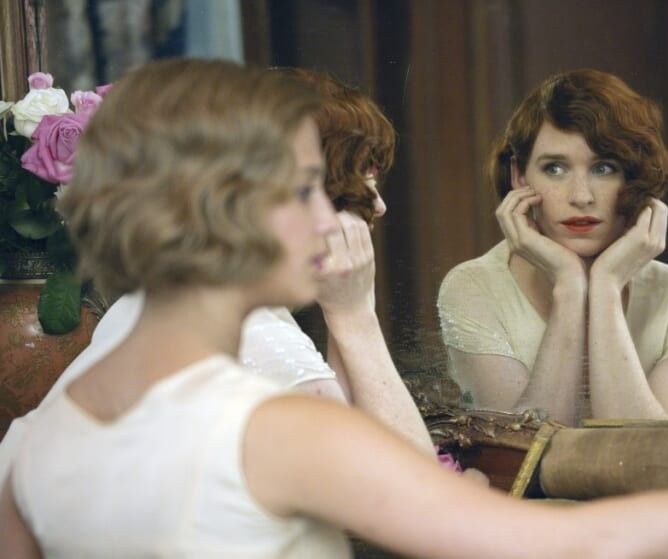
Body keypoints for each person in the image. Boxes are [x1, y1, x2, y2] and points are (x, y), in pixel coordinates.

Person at [0, 59, 668, 558]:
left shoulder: (32, 443)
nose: (345, 217)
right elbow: (577, 549)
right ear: (232, 211)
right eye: (312, 189)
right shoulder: (272, 428)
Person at [0, 67, 433, 483]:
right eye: (362, 186)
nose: (379, 208)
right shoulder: (252, 337)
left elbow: (344, 427)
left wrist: (343, 303)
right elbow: (416, 499)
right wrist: (357, 317)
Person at [438, 69, 668, 426]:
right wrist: (569, 285)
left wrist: (606, 286)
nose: (581, 197)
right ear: (520, 176)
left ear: (634, 176)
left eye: (604, 168)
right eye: (555, 168)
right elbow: (523, 460)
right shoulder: (475, 288)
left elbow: (644, 460)